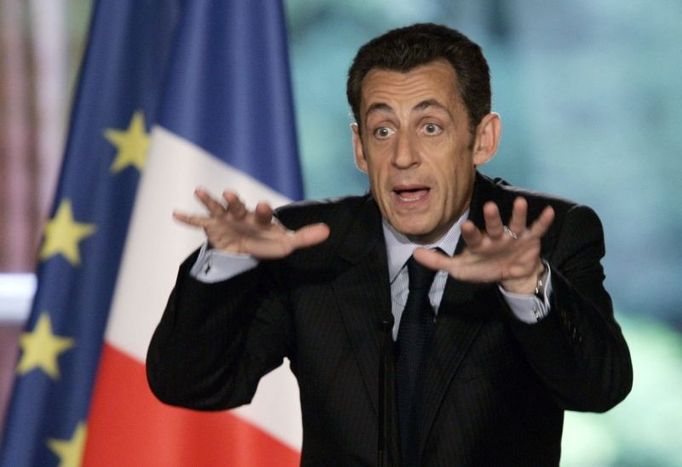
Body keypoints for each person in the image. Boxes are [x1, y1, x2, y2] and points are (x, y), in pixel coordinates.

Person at [146, 23, 632, 466]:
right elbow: (190, 382)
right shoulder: (307, 246)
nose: (402, 156)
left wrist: (527, 285)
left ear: (482, 139)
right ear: (360, 148)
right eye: (383, 130)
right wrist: (228, 261)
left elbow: (599, 387)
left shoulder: (549, 234)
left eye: (430, 128)